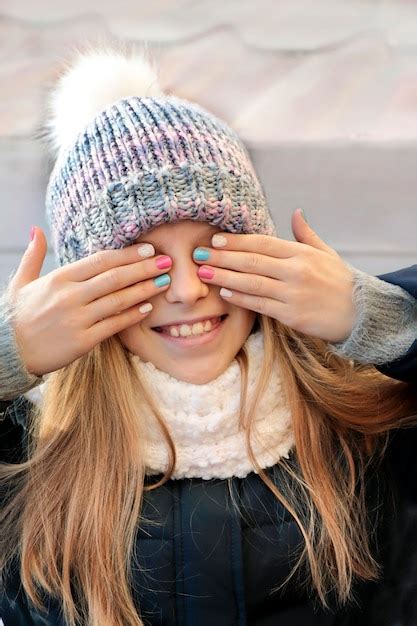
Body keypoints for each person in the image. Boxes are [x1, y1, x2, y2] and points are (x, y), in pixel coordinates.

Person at [0, 42, 416, 626]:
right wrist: (6, 356)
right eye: (144, 262)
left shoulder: (356, 419)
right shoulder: (34, 452)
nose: (188, 290)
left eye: (212, 250)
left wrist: (379, 318)